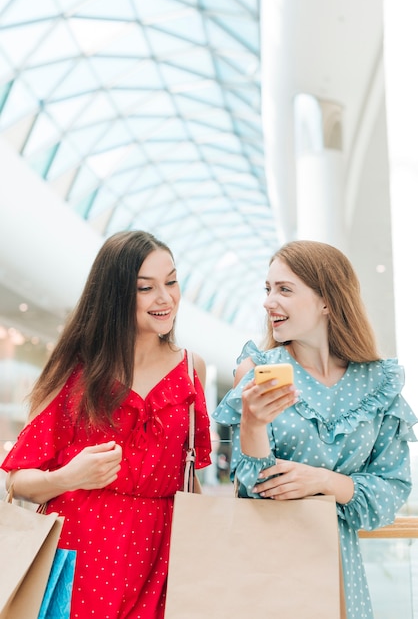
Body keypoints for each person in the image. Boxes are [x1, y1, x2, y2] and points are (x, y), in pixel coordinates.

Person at [1, 230, 212, 619]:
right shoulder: (76, 370)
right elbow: (18, 480)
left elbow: (188, 478)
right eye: (146, 288)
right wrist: (66, 477)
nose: (165, 298)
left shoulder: (189, 368)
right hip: (78, 552)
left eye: (171, 281)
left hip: (161, 555)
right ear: (115, 295)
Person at [213, 239, 417, 619]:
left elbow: (394, 488)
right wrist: (254, 425)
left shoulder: (379, 381)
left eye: (284, 290)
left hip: (343, 569)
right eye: (268, 289)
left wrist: (323, 480)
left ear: (327, 301)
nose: (268, 301)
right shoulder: (256, 370)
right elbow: (252, 491)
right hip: (268, 568)